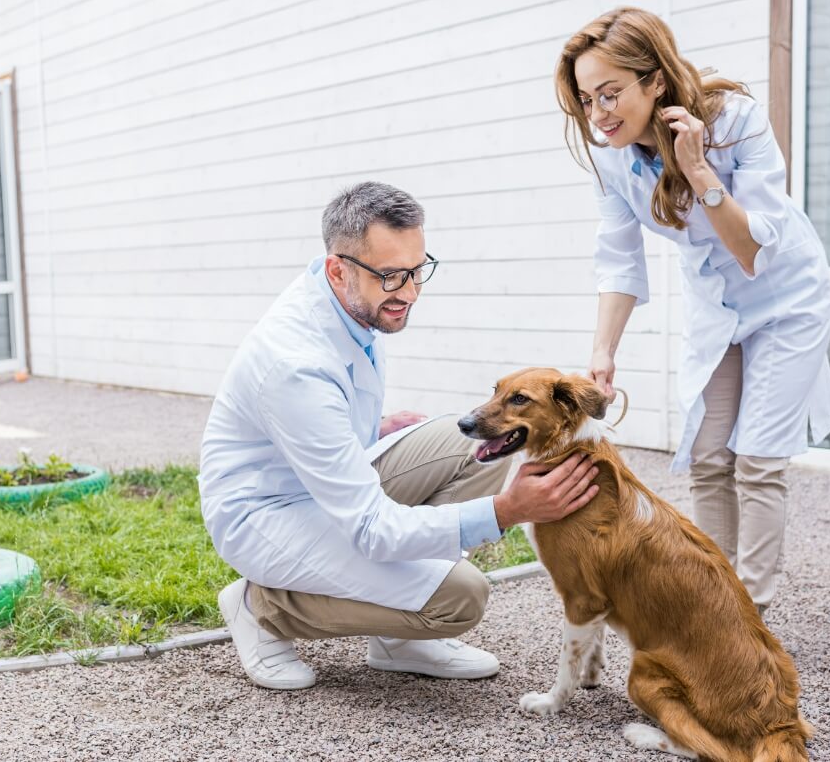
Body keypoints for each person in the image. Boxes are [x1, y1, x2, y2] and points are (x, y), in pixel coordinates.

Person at [199, 181, 600, 690]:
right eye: (391, 276)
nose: (409, 292)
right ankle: (261, 607)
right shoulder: (295, 361)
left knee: (479, 447)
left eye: (416, 271)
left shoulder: (350, 301)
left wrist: (373, 428)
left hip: (323, 487)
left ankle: (398, 639)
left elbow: (318, 423)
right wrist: (507, 511)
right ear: (337, 268)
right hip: (267, 515)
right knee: (460, 597)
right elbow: (371, 529)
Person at [555, 7, 830, 615]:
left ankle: (749, 618)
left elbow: (750, 250)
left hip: (786, 299)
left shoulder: (735, 120)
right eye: (586, 99)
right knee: (711, 456)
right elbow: (619, 261)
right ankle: (718, 603)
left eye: (611, 93)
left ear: (655, 80)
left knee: (759, 458)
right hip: (717, 307)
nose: (599, 113)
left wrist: (698, 169)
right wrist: (603, 353)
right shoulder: (611, 156)